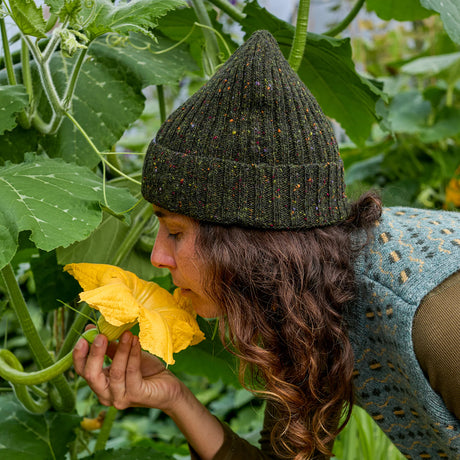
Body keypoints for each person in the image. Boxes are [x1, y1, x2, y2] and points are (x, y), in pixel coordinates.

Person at [73, 30, 460, 460]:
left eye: (176, 233)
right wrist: (174, 398)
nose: (158, 257)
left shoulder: (437, 316)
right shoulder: (307, 300)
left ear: (246, 244)